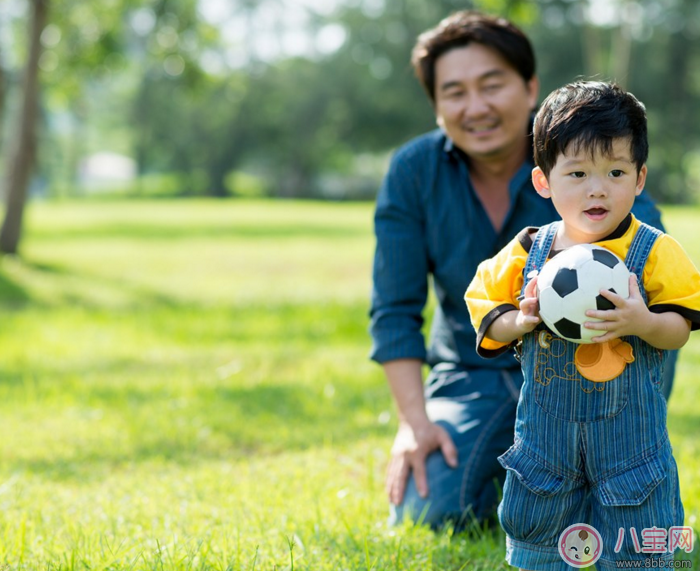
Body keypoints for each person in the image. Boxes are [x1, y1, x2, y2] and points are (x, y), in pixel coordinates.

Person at [369, 10, 674, 530]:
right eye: (455, 92)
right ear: (437, 105)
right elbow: (394, 311)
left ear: (529, 86)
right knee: (430, 511)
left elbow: (651, 273)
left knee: (604, 510)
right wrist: (414, 424)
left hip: (592, 369)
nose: (476, 106)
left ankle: (601, 467)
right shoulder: (413, 171)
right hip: (472, 374)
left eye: (492, 85)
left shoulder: (590, 162)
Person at [465, 80, 700, 570]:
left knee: (636, 545)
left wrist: (644, 321)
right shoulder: (530, 250)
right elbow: (484, 301)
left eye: (615, 171)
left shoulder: (655, 251)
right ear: (543, 181)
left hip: (631, 448)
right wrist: (519, 319)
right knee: (542, 542)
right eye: (577, 173)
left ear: (639, 179)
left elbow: (679, 328)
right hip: (546, 448)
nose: (597, 188)